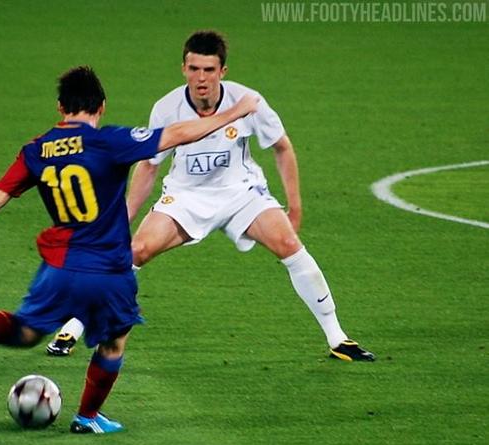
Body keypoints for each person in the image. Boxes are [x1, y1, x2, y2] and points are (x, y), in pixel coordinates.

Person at [0, 65, 259, 434]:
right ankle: (87, 416)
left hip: (59, 267)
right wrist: (235, 111)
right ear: (101, 106)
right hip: (109, 270)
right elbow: (178, 133)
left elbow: (1, 193)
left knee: (26, 333)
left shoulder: (37, 149)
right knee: (114, 340)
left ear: (60, 107)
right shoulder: (110, 141)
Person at [47, 31, 375, 362]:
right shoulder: (167, 108)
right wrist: (126, 215)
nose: (200, 78)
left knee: (289, 243)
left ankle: (337, 337)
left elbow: (282, 147)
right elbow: (149, 165)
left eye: (208, 70)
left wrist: (296, 206)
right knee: (136, 251)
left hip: (241, 193)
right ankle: (74, 325)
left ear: (222, 71)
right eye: (194, 69)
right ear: (183, 69)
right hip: (185, 197)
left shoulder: (247, 101)